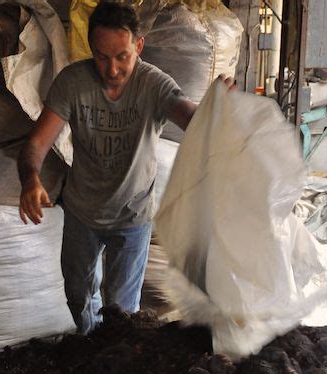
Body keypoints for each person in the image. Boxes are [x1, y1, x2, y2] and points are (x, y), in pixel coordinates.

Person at [18, 1, 235, 333]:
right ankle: (90, 348)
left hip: (132, 216)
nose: (113, 68)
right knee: (78, 296)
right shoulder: (73, 82)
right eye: (102, 57)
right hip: (82, 212)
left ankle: (111, 360)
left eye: (122, 56)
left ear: (139, 46)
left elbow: (190, 118)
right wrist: (30, 179)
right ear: (91, 49)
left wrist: (214, 112)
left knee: (122, 313)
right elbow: (37, 143)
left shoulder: (154, 84)